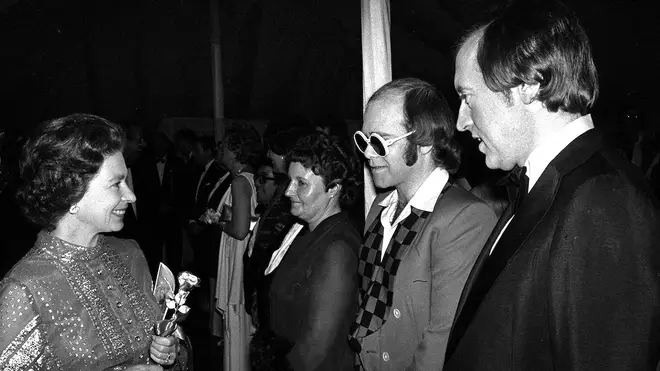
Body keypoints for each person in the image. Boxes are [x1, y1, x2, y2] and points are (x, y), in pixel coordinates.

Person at [445, 1, 660, 370]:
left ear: (528, 86)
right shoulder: (548, 185)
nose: (461, 121)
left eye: (467, 97)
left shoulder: (603, 200)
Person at [0, 113, 184, 370]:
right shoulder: (25, 288)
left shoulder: (130, 253)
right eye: (116, 184)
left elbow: (166, 345)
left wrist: (169, 352)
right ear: (71, 191)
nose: (130, 196)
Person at [349, 78, 497, 370]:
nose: (367, 153)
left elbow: (441, 341)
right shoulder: (380, 210)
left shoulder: (465, 219)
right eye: (363, 140)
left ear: (426, 141)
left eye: (379, 142)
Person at [252, 132, 361, 371]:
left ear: (333, 189)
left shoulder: (337, 249)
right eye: (290, 181)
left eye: (301, 183)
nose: (289, 191)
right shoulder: (307, 230)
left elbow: (316, 348)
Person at [213, 123, 262, 371]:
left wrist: (219, 223)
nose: (219, 150)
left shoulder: (240, 182)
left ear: (234, 151)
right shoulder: (251, 180)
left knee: (236, 324)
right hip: (243, 256)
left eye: (223, 146)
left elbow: (240, 230)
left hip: (238, 259)